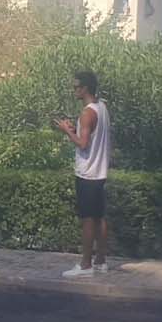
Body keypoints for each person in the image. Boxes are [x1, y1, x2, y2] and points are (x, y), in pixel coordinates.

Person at [54, 70, 112, 278]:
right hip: (100, 172)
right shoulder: (102, 107)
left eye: (76, 86)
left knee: (88, 219)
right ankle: (101, 262)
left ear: (85, 88)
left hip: (87, 174)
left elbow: (83, 143)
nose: (74, 90)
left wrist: (66, 130)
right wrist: (75, 129)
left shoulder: (87, 113)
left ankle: (86, 265)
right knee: (100, 218)